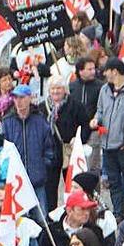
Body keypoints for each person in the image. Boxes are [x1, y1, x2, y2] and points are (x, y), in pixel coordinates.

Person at [90, 57, 124, 222]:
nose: (104, 74)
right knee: (113, 181)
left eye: (107, 70)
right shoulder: (104, 90)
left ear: (114, 71)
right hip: (107, 143)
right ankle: (118, 213)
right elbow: (100, 110)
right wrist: (96, 120)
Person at [2, 84, 58, 215]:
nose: (18, 101)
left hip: (37, 181)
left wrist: (43, 167)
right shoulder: (7, 122)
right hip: (15, 182)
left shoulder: (40, 121)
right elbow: (3, 150)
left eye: (22, 97)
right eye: (15, 98)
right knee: (18, 220)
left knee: (41, 219)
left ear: (29, 98)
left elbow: (49, 149)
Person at [40, 75, 91, 211]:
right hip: (50, 153)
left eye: (59, 88)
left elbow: (85, 125)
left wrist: (79, 139)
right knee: (49, 189)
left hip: (69, 152)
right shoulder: (42, 108)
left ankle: (73, 211)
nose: (56, 91)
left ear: (65, 90)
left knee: (72, 185)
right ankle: (52, 217)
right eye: (53, 88)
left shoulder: (75, 105)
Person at [69, 56, 104, 171]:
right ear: (80, 71)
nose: (93, 71)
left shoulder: (100, 86)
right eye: (89, 69)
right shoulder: (72, 86)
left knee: (91, 166)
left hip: (93, 130)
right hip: (76, 131)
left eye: (94, 68)